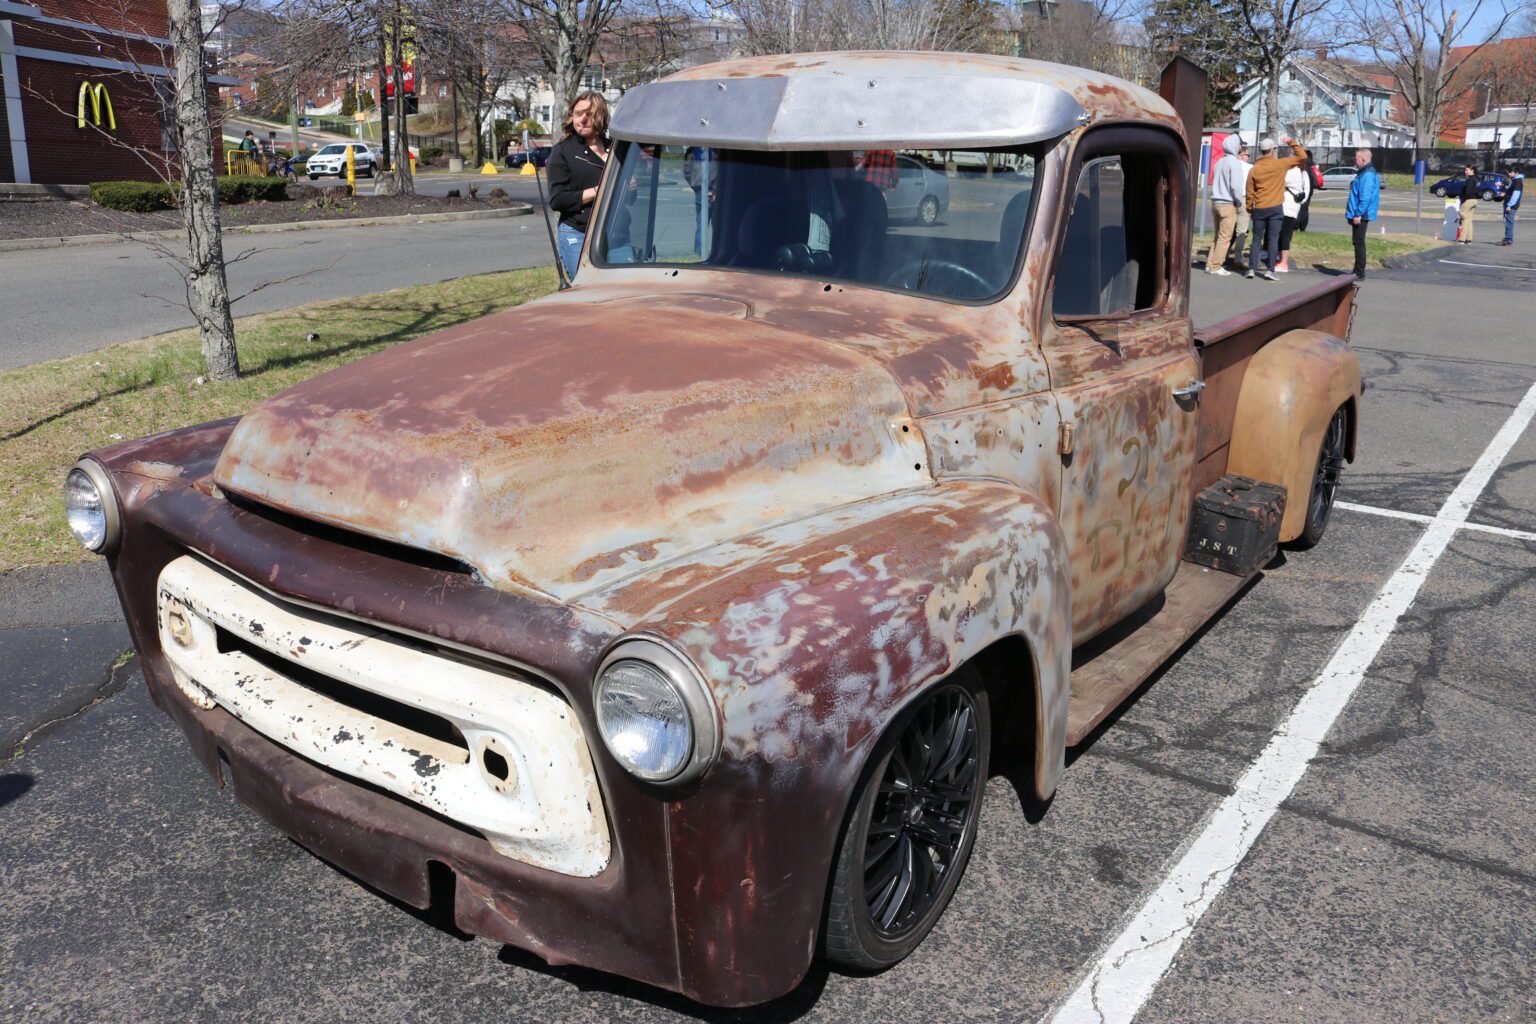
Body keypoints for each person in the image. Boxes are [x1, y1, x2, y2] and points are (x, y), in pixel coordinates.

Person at [546, 91, 612, 282]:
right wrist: (597, 192)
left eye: (589, 114)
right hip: (578, 234)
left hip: (615, 234)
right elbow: (557, 200)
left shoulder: (616, 148)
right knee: (588, 291)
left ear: (601, 116)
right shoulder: (563, 151)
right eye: (578, 113)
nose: (582, 119)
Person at [1244, 136, 1308, 280]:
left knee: (1256, 239)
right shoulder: (1280, 164)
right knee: (1273, 239)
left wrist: (1250, 209)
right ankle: (1270, 270)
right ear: (1273, 150)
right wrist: (1291, 142)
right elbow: (1302, 156)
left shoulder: (1254, 169)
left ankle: (1252, 269)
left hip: (1259, 207)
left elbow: (1250, 192)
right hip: (1275, 208)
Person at [1206, 135, 1247, 276]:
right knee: (1225, 237)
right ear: (1236, 146)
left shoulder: (1219, 161)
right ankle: (1216, 266)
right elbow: (1236, 186)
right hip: (1228, 203)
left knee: (1218, 236)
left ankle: (1209, 264)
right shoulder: (1234, 163)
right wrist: (1238, 200)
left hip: (1215, 201)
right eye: (1241, 144)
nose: (1242, 147)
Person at [1344, 147, 1380, 279]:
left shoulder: (1368, 174)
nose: (1355, 160)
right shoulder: (1364, 172)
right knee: (1357, 241)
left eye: (1356, 158)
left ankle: (1359, 272)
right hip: (1360, 212)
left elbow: (1365, 196)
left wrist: (1358, 214)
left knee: (1359, 242)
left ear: (1363, 159)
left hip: (1362, 214)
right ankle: (1357, 270)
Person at [1275, 151, 1312, 273]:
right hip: (1292, 207)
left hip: (1288, 207)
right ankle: (1281, 260)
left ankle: (1284, 263)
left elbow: (1280, 181)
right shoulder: (1301, 171)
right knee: (1284, 234)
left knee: (1284, 235)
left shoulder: (1293, 171)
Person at [1457, 165, 1478, 244]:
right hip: (1474, 200)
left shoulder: (1470, 180)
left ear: (1472, 170)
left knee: (1464, 219)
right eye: (1465, 170)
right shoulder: (1476, 179)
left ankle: (1462, 239)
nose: (1465, 171)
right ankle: (1469, 239)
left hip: (1468, 200)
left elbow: (1468, 192)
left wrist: (1463, 199)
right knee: (1469, 220)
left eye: (1467, 170)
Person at [1503, 168, 1524, 246]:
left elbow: (1516, 195)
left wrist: (1509, 205)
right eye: (1509, 172)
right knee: (1507, 221)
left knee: (1509, 222)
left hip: (1511, 205)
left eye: (1511, 173)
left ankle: (1508, 239)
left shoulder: (1518, 182)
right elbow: (1510, 190)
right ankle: (1507, 238)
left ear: (1516, 173)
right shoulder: (1514, 180)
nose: (1509, 174)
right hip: (1509, 204)